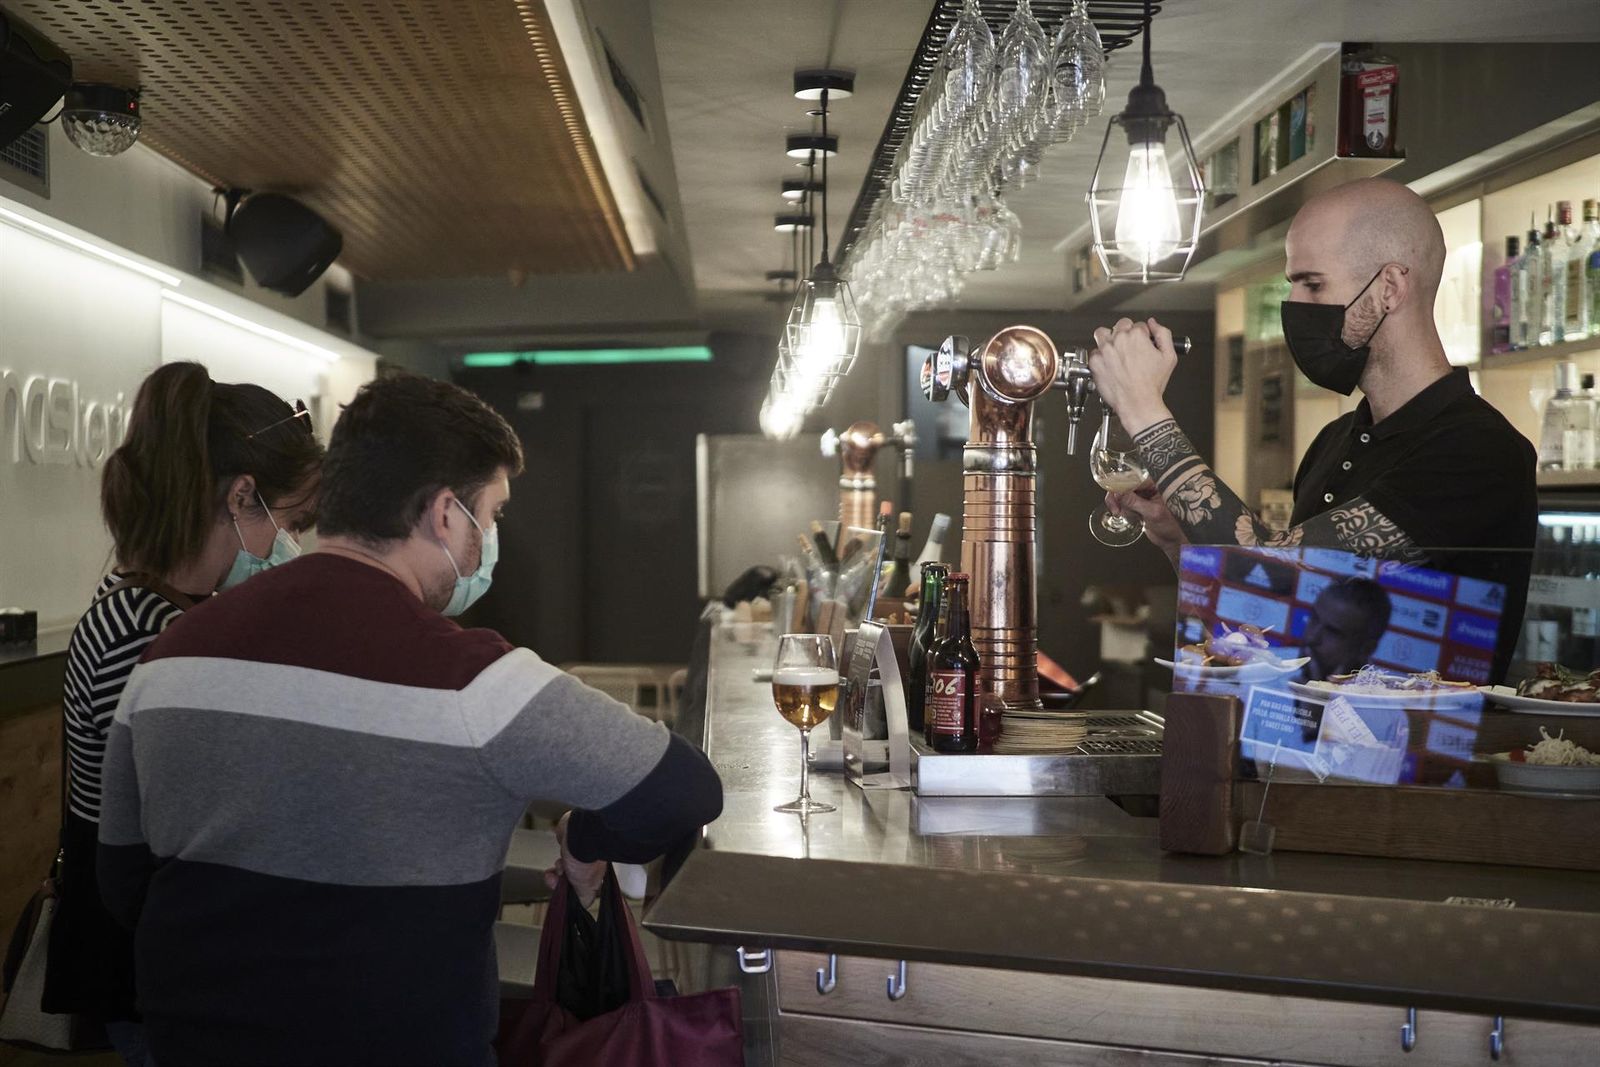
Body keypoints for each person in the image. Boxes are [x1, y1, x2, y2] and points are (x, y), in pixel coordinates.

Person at [97, 373, 723, 1066]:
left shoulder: (166, 660)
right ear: (446, 513)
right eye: (493, 514)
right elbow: (685, 789)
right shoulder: (482, 683)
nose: (490, 538)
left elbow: (123, 880)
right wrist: (585, 841)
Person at [1093, 177, 1536, 681]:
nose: (1296, 306)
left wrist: (1143, 408)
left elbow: (1271, 568)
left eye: (1313, 284)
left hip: (1417, 755)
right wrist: (1182, 543)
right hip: (1299, 751)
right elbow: (1268, 609)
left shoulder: (1477, 449)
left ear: (1390, 288)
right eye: (1292, 285)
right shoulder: (1335, 440)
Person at [48, 362, 321, 1066]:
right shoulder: (142, 633)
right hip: (152, 972)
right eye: (288, 523)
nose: (288, 547)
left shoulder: (167, 613)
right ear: (240, 497)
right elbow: (168, 838)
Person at [1303, 578, 1391, 682]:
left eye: (1332, 632)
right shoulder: (1280, 667)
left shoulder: (1380, 696)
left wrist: (1321, 695)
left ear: (1366, 649)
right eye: (1314, 619)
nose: (1312, 637)